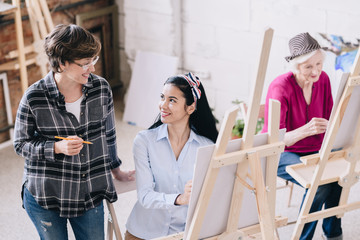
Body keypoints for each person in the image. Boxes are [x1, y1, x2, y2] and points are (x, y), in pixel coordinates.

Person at [13, 24, 135, 240]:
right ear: (62, 63)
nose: (93, 68)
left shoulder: (101, 89)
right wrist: (56, 147)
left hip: (89, 192)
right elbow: (20, 144)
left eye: (93, 61)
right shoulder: (34, 97)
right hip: (46, 194)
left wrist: (116, 170)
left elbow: (108, 135)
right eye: (85, 64)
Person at [262, 32, 342, 240]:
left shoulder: (323, 80)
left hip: (315, 147)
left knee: (340, 175)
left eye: (318, 64)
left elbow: (330, 116)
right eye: (308, 66)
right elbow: (275, 140)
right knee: (320, 183)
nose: (315, 71)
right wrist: (306, 129)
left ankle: (333, 233)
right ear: (296, 66)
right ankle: (303, 238)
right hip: (281, 152)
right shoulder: (280, 87)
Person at [125, 73, 218, 239]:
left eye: (172, 100)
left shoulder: (207, 147)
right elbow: (145, 196)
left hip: (185, 234)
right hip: (143, 233)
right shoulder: (144, 141)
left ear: (190, 108)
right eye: (162, 97)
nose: (163, 105)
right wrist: (180, 198)